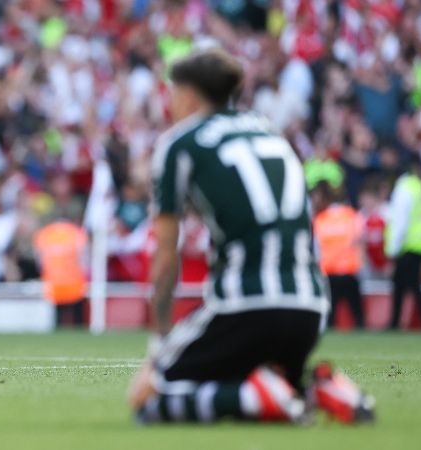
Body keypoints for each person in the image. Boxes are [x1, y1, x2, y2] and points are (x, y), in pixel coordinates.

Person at [127, 49, 374, 424]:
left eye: (174, 92)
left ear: (190, 95)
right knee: (255, 374)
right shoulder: (271, 134)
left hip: (245, 305)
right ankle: (314, 389)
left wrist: (160, 339)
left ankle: (250, 398)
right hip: (310, 309)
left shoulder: (181, 142)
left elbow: (164, 253)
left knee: (147, 399)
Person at [385, 156, 421, 330]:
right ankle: (395, 323)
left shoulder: (403, 188)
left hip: (407, 245)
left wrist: (393, 249)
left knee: (408, 285)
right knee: (403, 285)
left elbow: (400, 220)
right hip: (420, 244)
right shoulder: (419, 188)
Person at [311, 181, 365, 329]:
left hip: (329, 272)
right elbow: (360, 240)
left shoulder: (320, 219)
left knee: (330, 316)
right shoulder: (352, 215)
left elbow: (316, 248)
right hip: (349, 271)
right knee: (358, 315)